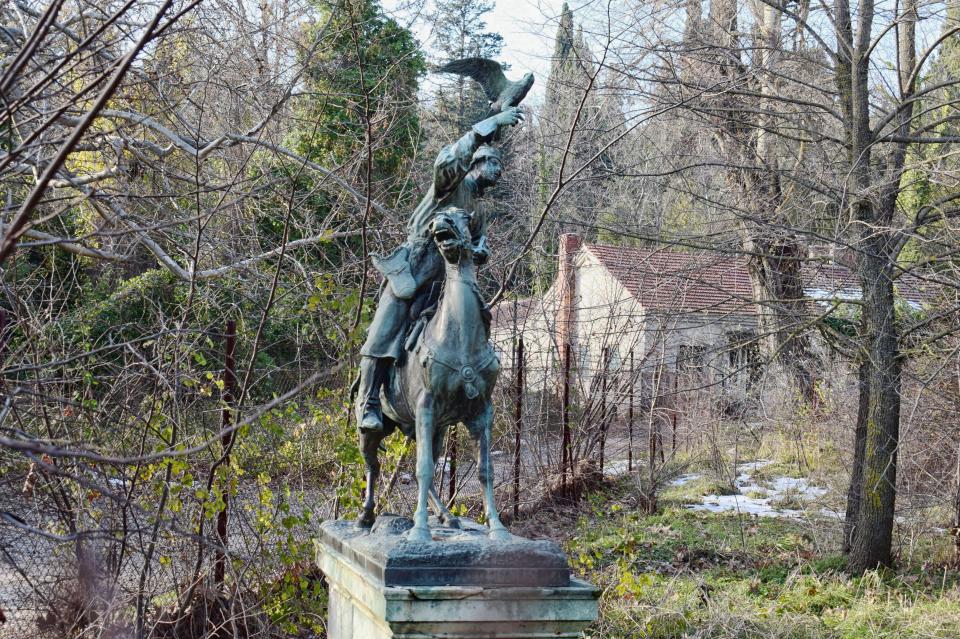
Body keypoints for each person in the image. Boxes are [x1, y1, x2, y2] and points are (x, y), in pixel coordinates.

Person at [355, 106, 524, 432]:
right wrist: (482, 130)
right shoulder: (449, 185)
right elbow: (446, 161)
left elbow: (476, 247)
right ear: (474, 164)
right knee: (382, 332)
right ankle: (369, 403)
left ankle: (466, 394)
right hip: (414, 270)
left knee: (480, 320)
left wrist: (480, 252)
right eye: (492, 163)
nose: (498, 171)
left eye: (500, 165)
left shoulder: (480, 210)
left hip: (447, 282)